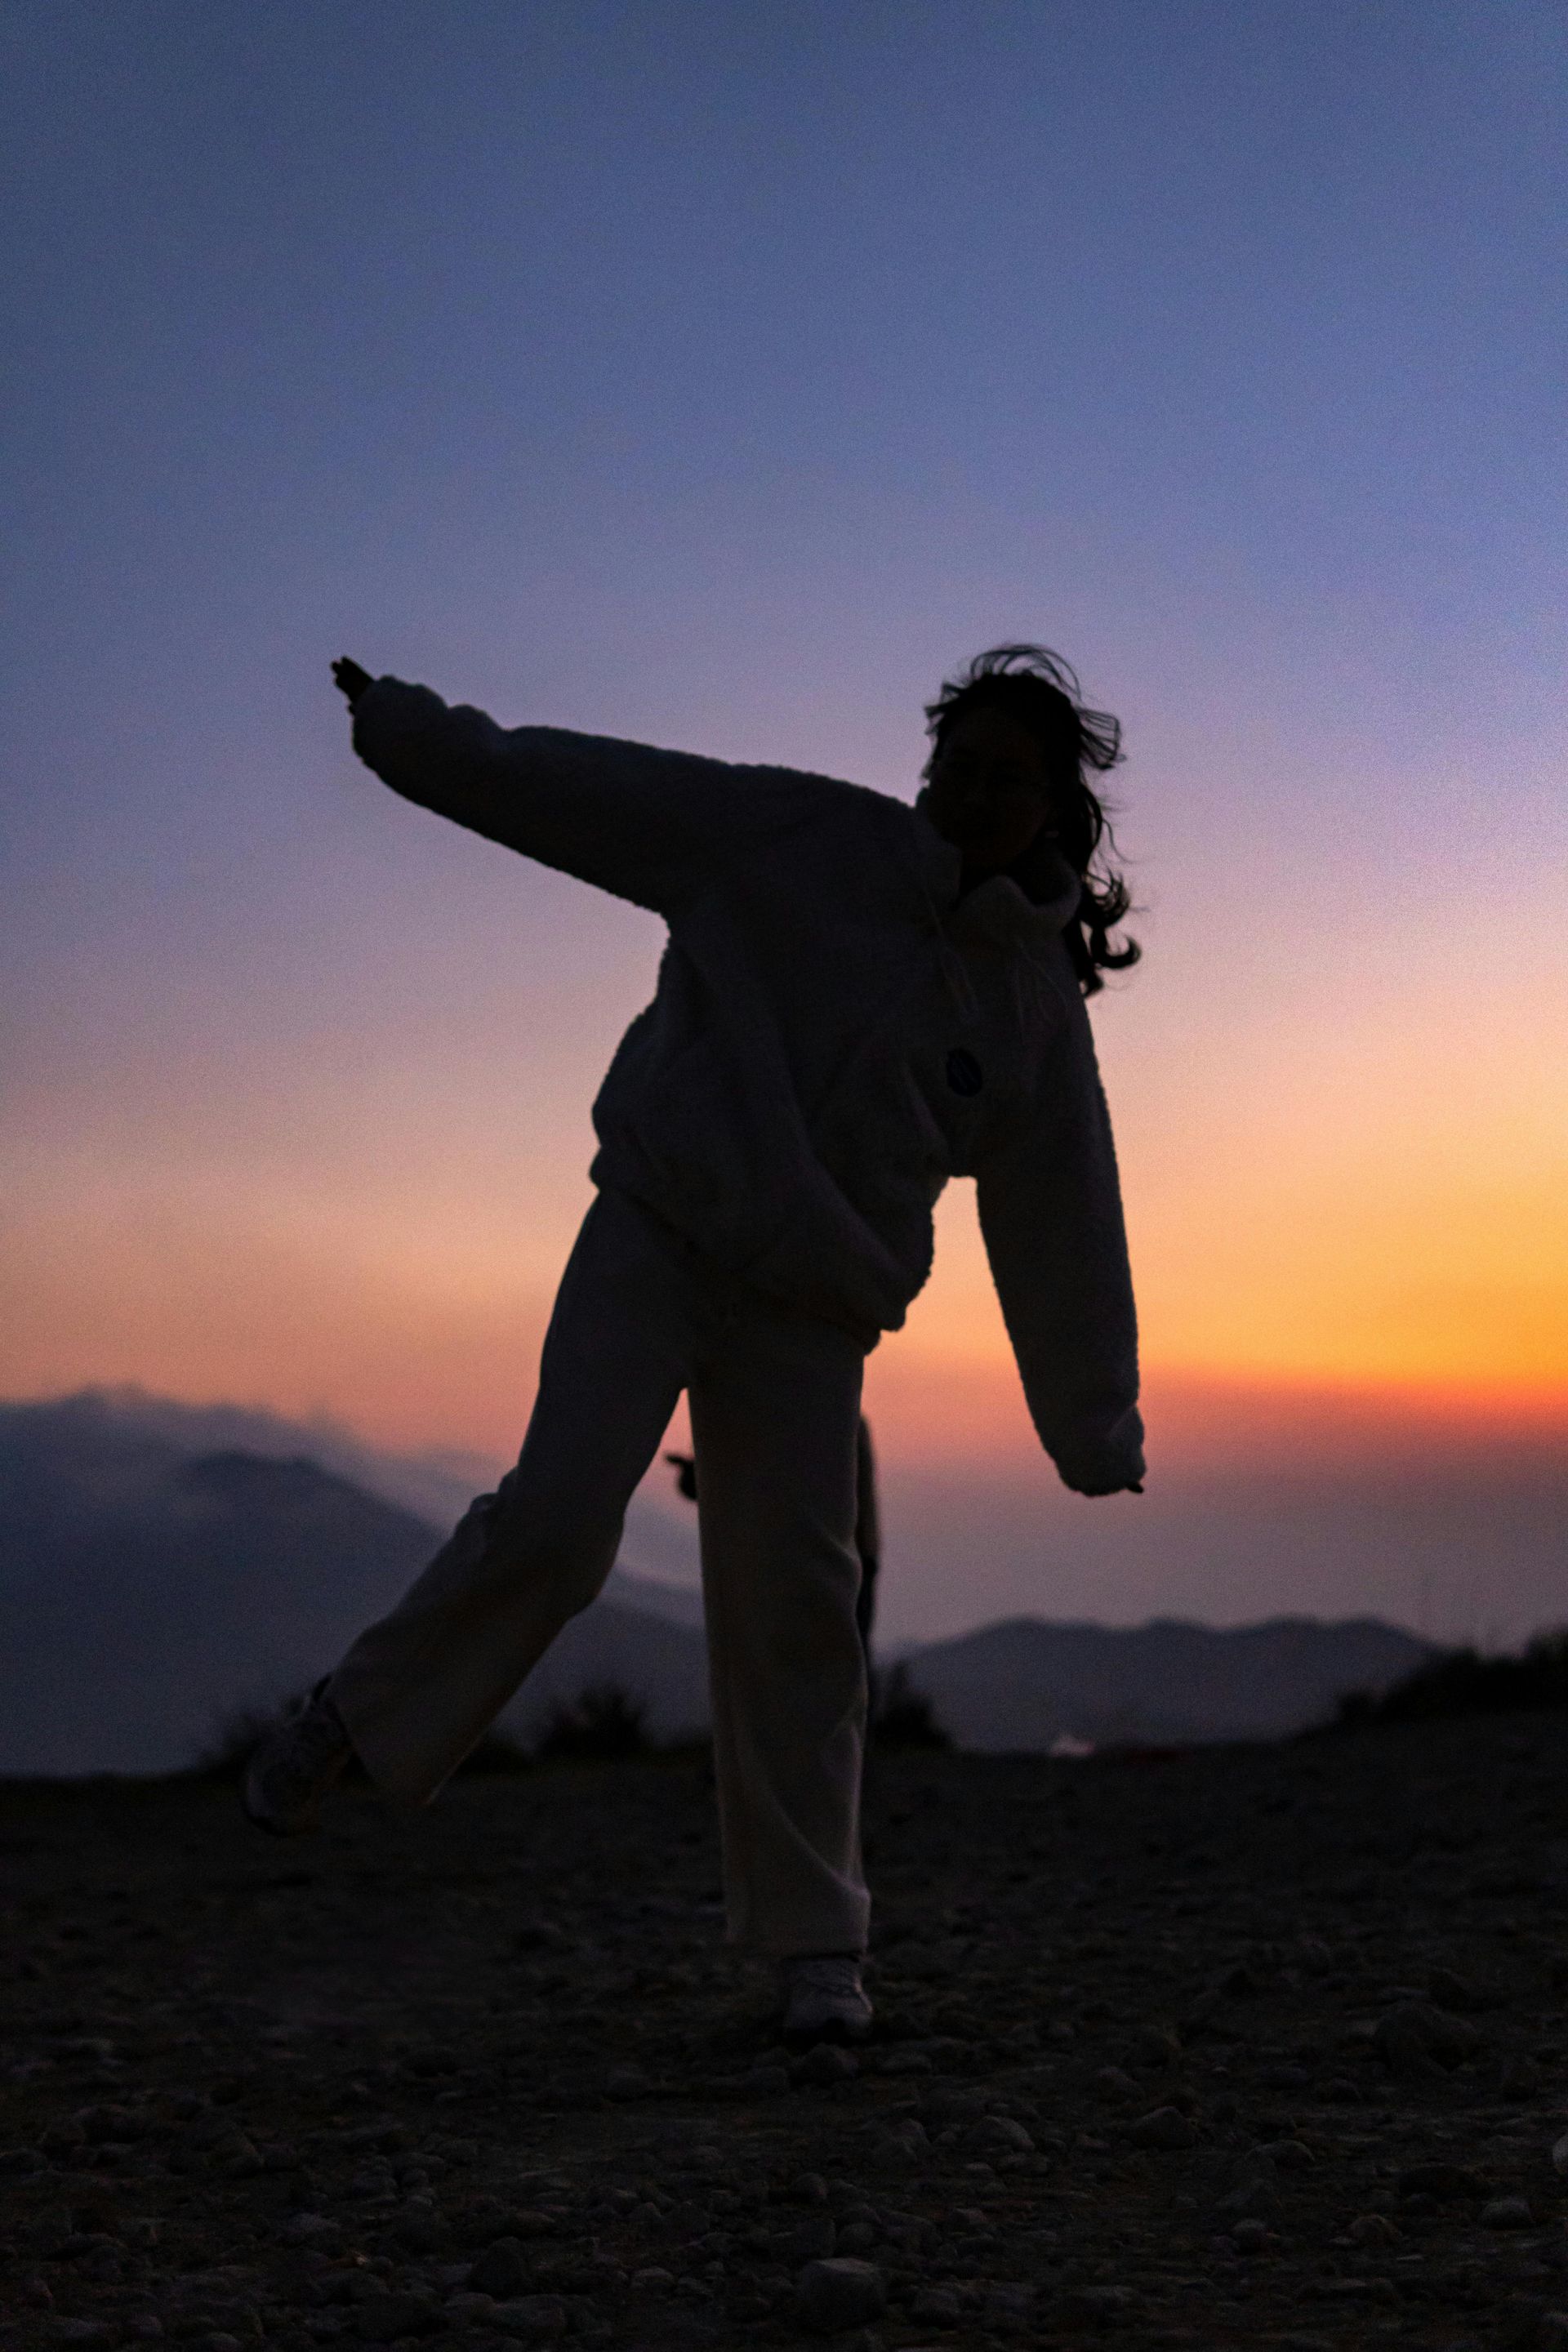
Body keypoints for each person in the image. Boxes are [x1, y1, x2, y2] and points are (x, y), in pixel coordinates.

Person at [243, 644, 1146, 2048]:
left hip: (812, 1312)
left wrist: (1094, 1419)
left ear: (1054, 813)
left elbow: (1062, 1214)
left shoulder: (1032, 1008)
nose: (974, 795)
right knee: (555, 1518)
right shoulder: (800, 839)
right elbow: (593, 793)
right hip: (659, 1227)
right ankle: (351, 1723)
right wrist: (418, 736)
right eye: (959, 765)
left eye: (1009, 780)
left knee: (798, 1607)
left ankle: (812, 1948)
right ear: (930, 769)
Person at [666, 1413, 880, 1669]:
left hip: (825, 1562)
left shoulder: (812, 1423)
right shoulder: (837, 1420)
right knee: (846, 1664)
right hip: (845, 1558)